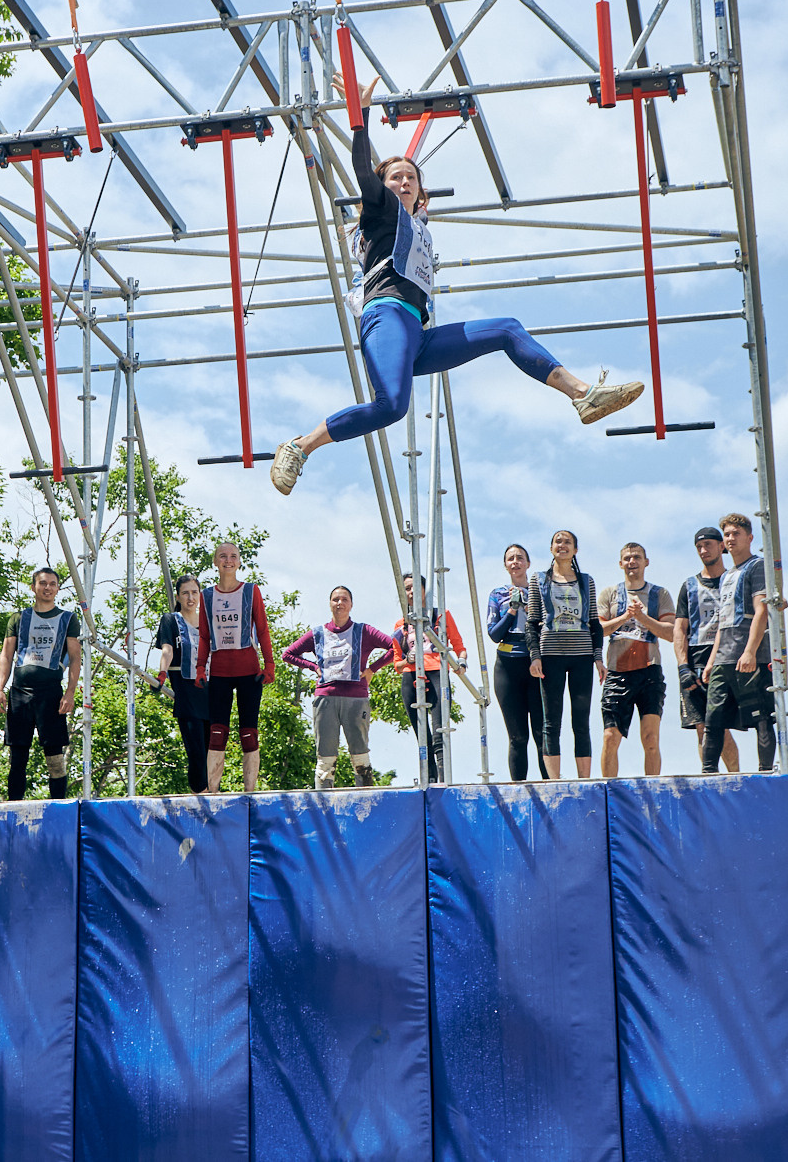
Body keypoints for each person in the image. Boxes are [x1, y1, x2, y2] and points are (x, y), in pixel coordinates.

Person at [267, 80, 642, 496]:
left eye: (411, 177)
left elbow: (416, 226)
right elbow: (361, 170)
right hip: (386, 315)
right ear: (382, 187)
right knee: (391, 407)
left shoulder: (418, 226)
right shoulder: (379, 211)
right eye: (395, 177)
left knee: (506, 328)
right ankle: (301, 445)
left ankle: (582, 394)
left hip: (418, 334)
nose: (404, 181)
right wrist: (361, 113)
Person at [282, 586, 397, 788]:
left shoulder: (364, 631)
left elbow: (395, 647)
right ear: (330, 604)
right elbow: (288, 654)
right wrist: (312, 666)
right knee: (325, 759)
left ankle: (365, 800)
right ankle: (323, 807)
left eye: (344, 599)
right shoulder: (318, 633)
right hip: (325, 698)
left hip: (356, 698)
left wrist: (372, 669)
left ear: (351, 604)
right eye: (335, 599)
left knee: (360, 755)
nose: (340, 603)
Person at [0, 567, 85, 800]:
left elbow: (75, 657)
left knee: (55, 756)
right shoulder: (19, 617)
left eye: (52, 584)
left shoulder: (68, 618)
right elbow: (6, 655)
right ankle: (14, 806)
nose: (47, 588)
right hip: (20, 693)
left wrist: (71, 693)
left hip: (51, 693)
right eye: (42, 583)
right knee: (18, 755)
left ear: (57, 589)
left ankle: (60, 806)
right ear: (33, 587)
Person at [700, 512, 776, 774]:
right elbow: (722, 621)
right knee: (713, 720)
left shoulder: (757, 567)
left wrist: (750, 651)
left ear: (749, 537)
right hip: (724, 657)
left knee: (762, 717)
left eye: (736, 534)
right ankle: (708, 772)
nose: (731, 539)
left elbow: (761, 611)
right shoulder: (726, 575)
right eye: (727, 535)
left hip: (751, 655)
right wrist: (711, 661)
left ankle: (765, 772)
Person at [197, 541, 276, 793]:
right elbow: (204, 636)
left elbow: (262, 630)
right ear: (215, 562)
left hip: (248, 672)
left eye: (232, 556)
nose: (228, 560)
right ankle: (213, 791)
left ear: (239, 562)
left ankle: (250, 792)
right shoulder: (206, 595)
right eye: (222, 556)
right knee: (217, 734)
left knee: (248, 734)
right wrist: (201, 668)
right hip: (219, 672)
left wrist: (269, 664)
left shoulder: (251, 591)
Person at [526, 530, 600, 781]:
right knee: (551, 722)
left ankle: (584, 780)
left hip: (581, 654)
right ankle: (555, 781)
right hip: (551, 654)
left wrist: (598, 657)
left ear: (575, 550)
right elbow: (532, 622)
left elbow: (594, 623)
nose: (563, 545)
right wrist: (535, 656)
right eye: (558, 541)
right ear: (551, 548)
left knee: (581, 721)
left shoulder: (586, 581)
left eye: (568, 542)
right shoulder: (539, 580)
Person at [599, 542, 673, 777]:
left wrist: (642, 616)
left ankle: (652, 790)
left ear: (646, 562)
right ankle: (609, 792)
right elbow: (598, 629)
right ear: (620, 563)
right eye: (628, 558)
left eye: (637, 557)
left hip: (649, 671)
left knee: (650, 738)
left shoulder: (659, 594)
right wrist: (625, 617)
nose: (632, 562)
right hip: (617, 671)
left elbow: (671, 633)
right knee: (611, 737)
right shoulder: (609, 593)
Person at [390, 574, 467, 785]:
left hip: (436, 673)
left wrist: (461, 663)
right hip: (411, 676)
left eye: (415, 586)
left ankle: (443, 779)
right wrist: (408, 659)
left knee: (440, 730)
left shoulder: (440, 615)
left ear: (425, 589)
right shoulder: (401, 624)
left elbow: (459, 647)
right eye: (406, 588)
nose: (411, 592)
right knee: (421, 732)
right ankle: (429, 778)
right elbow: (396, 663)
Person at [673, 527, 738, 772]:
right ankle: (710, 778)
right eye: (699, 547)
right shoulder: (689, 586)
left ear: (722, 546)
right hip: (697, 654)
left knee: (721, 724)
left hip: (728, 653)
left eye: (709, 544)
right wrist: (682, 666)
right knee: (702, 726)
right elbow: (679, 629)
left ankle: (735, 778)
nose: (703, 550)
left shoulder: (734, 579)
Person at [486, 544, 546, 781]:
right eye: (510, 559)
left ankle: (549, 784)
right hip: (507, 665)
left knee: (542, 734)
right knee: (518, 737)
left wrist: (530, 607)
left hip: (536, 662)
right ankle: (518, 788)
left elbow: (548, 626)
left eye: (520, 558)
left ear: (528, 564)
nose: (515, 562)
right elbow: (493, 635)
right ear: (505, 565)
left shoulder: (540, 591)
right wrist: (512, 610)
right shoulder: (497, 594)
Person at [155, 576, 210, 793]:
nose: (190, 597)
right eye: (185, 593)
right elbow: (167, 650)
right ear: (178, 596)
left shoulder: (209, 622)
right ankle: (201, 793)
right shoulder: (171, 620)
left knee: (213, 749)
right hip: (187, 690)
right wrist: (161, 672)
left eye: (194, 592)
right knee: (196, 749)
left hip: (212, 690)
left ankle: (213, 792)